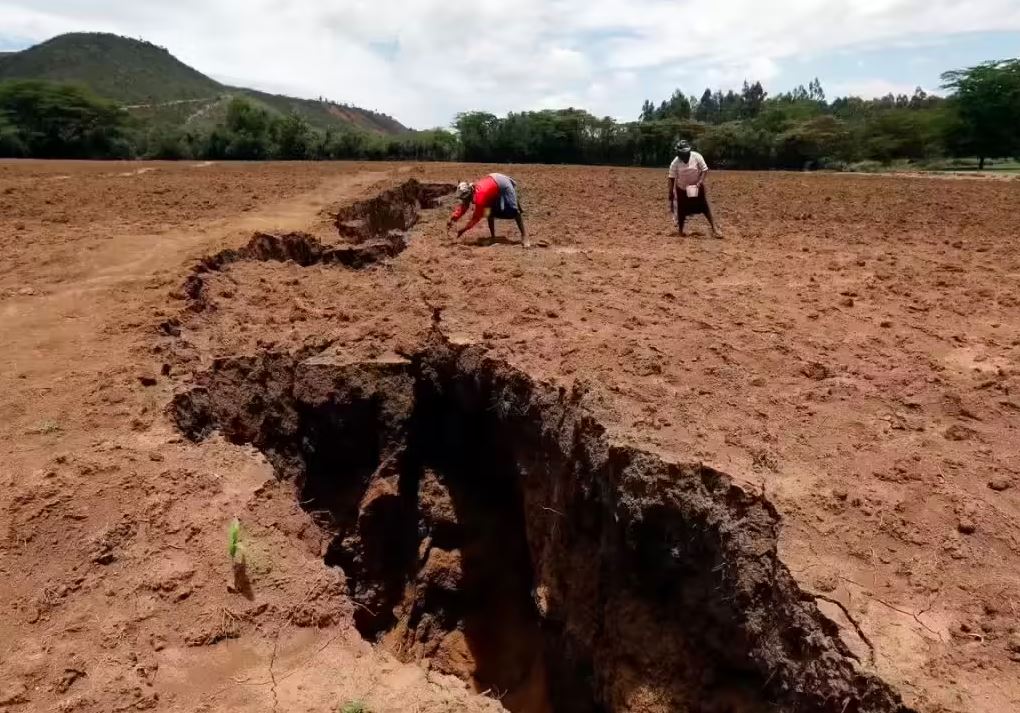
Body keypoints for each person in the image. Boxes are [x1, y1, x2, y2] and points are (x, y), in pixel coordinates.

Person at [447, 173, 529, 247]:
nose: (464, 200)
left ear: (468, 195)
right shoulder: (471, 189)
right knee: (488, 212)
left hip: (502, 184)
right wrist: (453, 218)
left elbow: (475, 218)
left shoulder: (480, 199)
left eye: (464, 198)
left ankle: (524, 236)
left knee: (513, 211)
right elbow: (464, 206)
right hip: (492, 180)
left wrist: (463, 230)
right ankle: (493, 237)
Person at [668, 140, 722, 238]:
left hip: (696, 187)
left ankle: (715, 228)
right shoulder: (675, 162)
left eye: (684, 153)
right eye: (680, 153)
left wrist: (700, 181)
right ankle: (680, 231)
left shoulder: (697, 156)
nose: (683, 156)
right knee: (681, 210)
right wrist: (671, 192)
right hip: (682, 189)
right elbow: (671, 177)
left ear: (688, 152)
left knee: (705, 207)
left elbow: (704, 170)